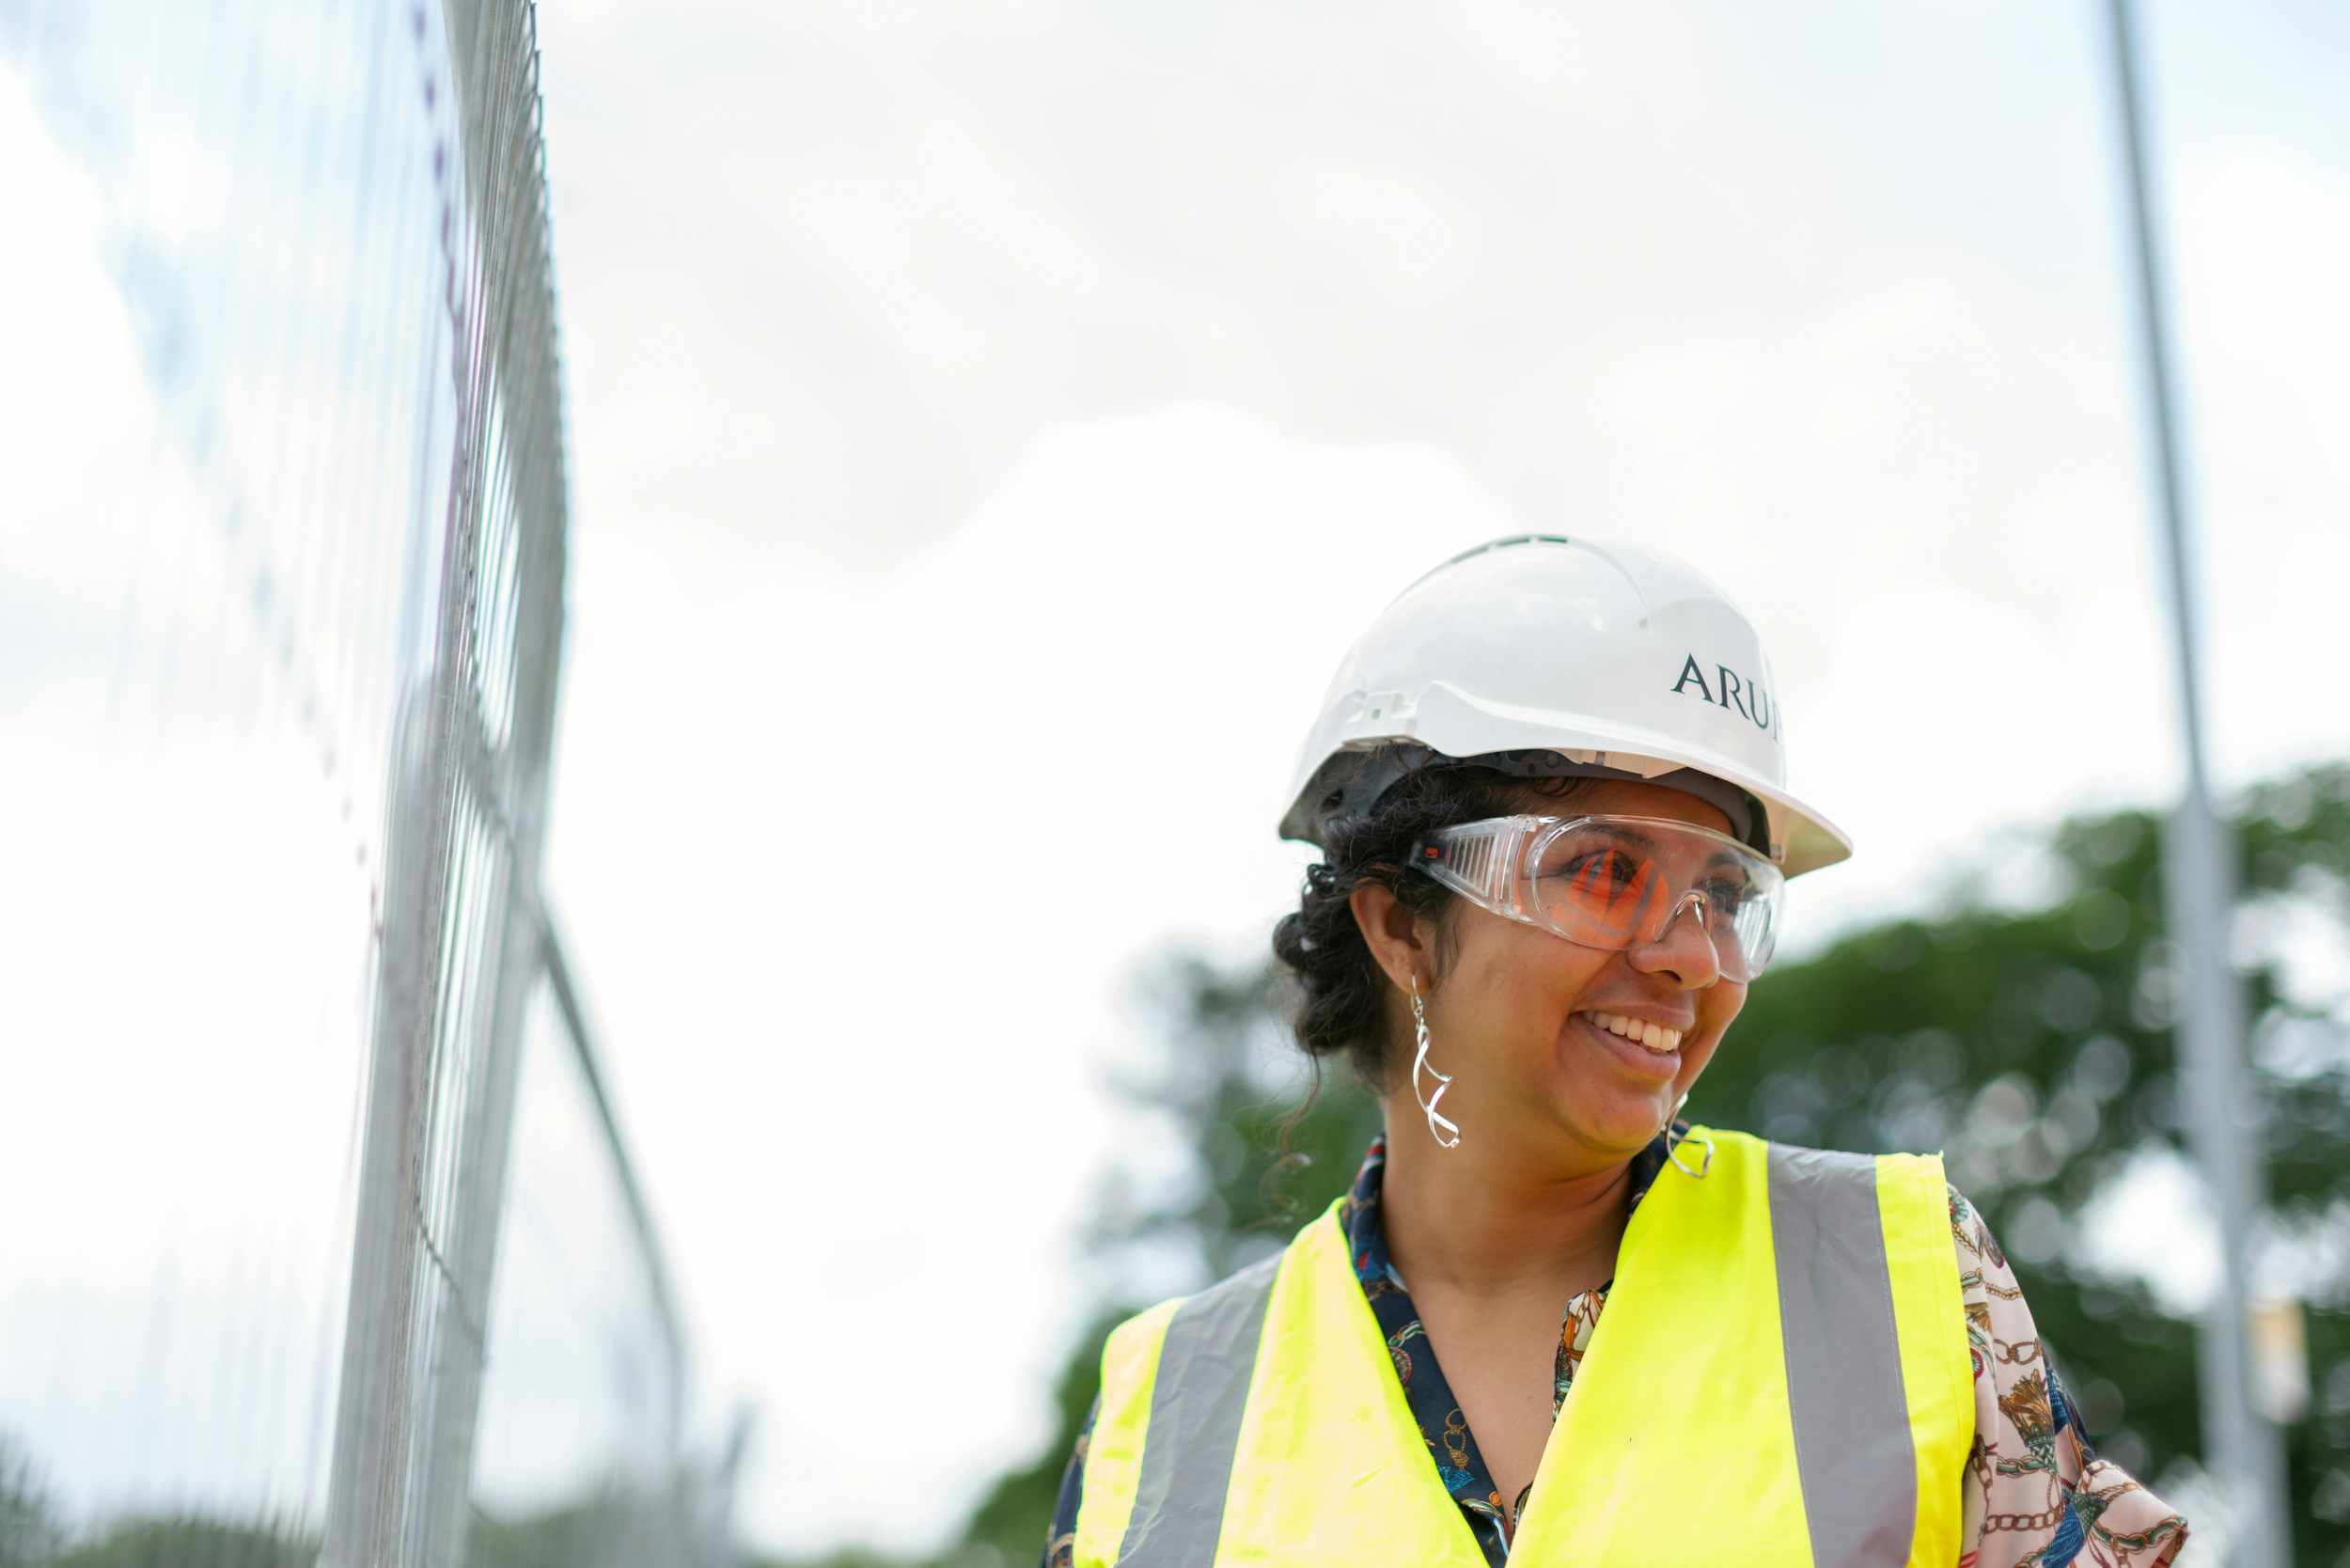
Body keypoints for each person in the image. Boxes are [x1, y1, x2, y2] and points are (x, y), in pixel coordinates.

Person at [1043, 537, 2187, 1568]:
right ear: (1398, 922)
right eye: (1602, 871)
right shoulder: (1165, 1419)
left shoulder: (1902, 1283)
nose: (1694, 956)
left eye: (1726, 893)